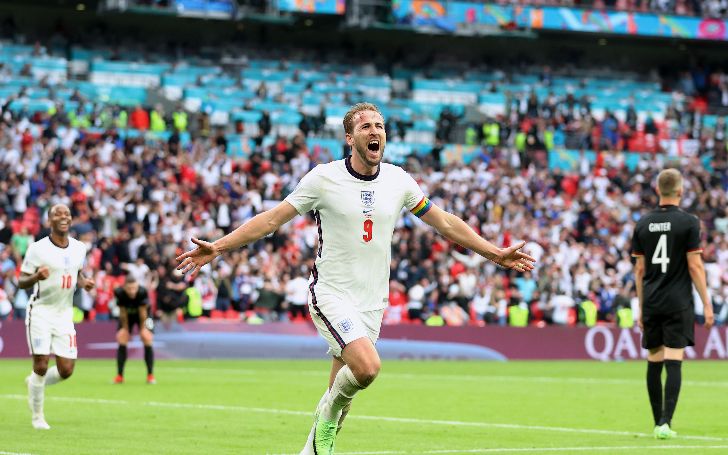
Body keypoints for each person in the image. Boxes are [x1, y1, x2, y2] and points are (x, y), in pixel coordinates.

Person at [176, 102, 535, 455]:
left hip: (372, 302)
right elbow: (272, 219)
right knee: (367, 369)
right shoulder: (324, 178)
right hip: (331, 294)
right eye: (365, 127)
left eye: (379, 126)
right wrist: (219, 247)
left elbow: (445, 222)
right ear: (350, 138)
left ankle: (311, 450)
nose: (374, 131)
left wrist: (494, 253)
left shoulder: (399, 180)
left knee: (341, 396)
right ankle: (326, 420)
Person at [631, 168, 714, 440]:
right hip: (678, 301)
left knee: (654, 359)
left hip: (653, 301)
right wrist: (707, 303)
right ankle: (666, 422)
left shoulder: (642, 223)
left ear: (658, 190)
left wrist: (641, 308)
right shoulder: (689, 222)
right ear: (680, 191)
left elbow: (639, 270)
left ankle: (657, 422)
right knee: (674, 360)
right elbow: (695, 266)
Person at [18, 204, 94, 430]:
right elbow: (21, 281)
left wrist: (84, 282)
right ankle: (37, 416)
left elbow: (76, 272)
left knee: (66, 370)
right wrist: (35, 277)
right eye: (57, 214)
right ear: (49, 221)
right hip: (40, 311)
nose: (63, 217)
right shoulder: (37, 249)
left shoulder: (79, 248)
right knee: (41, 365)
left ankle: (33, 383)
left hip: (64, 315)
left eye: (67, 214)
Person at [113, 275, 156, 385]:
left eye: (134, 288)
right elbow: (122, 312)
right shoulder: (119, 292)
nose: (132, 291)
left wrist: (142, 329)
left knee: (146, 337)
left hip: (145, 316)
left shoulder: (142, 292)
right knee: (122, 337)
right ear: (124, 287)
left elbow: (143, 313)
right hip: (128, 316)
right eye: (129, 288)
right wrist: (126, 329)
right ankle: (119, 376)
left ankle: (150, 375)